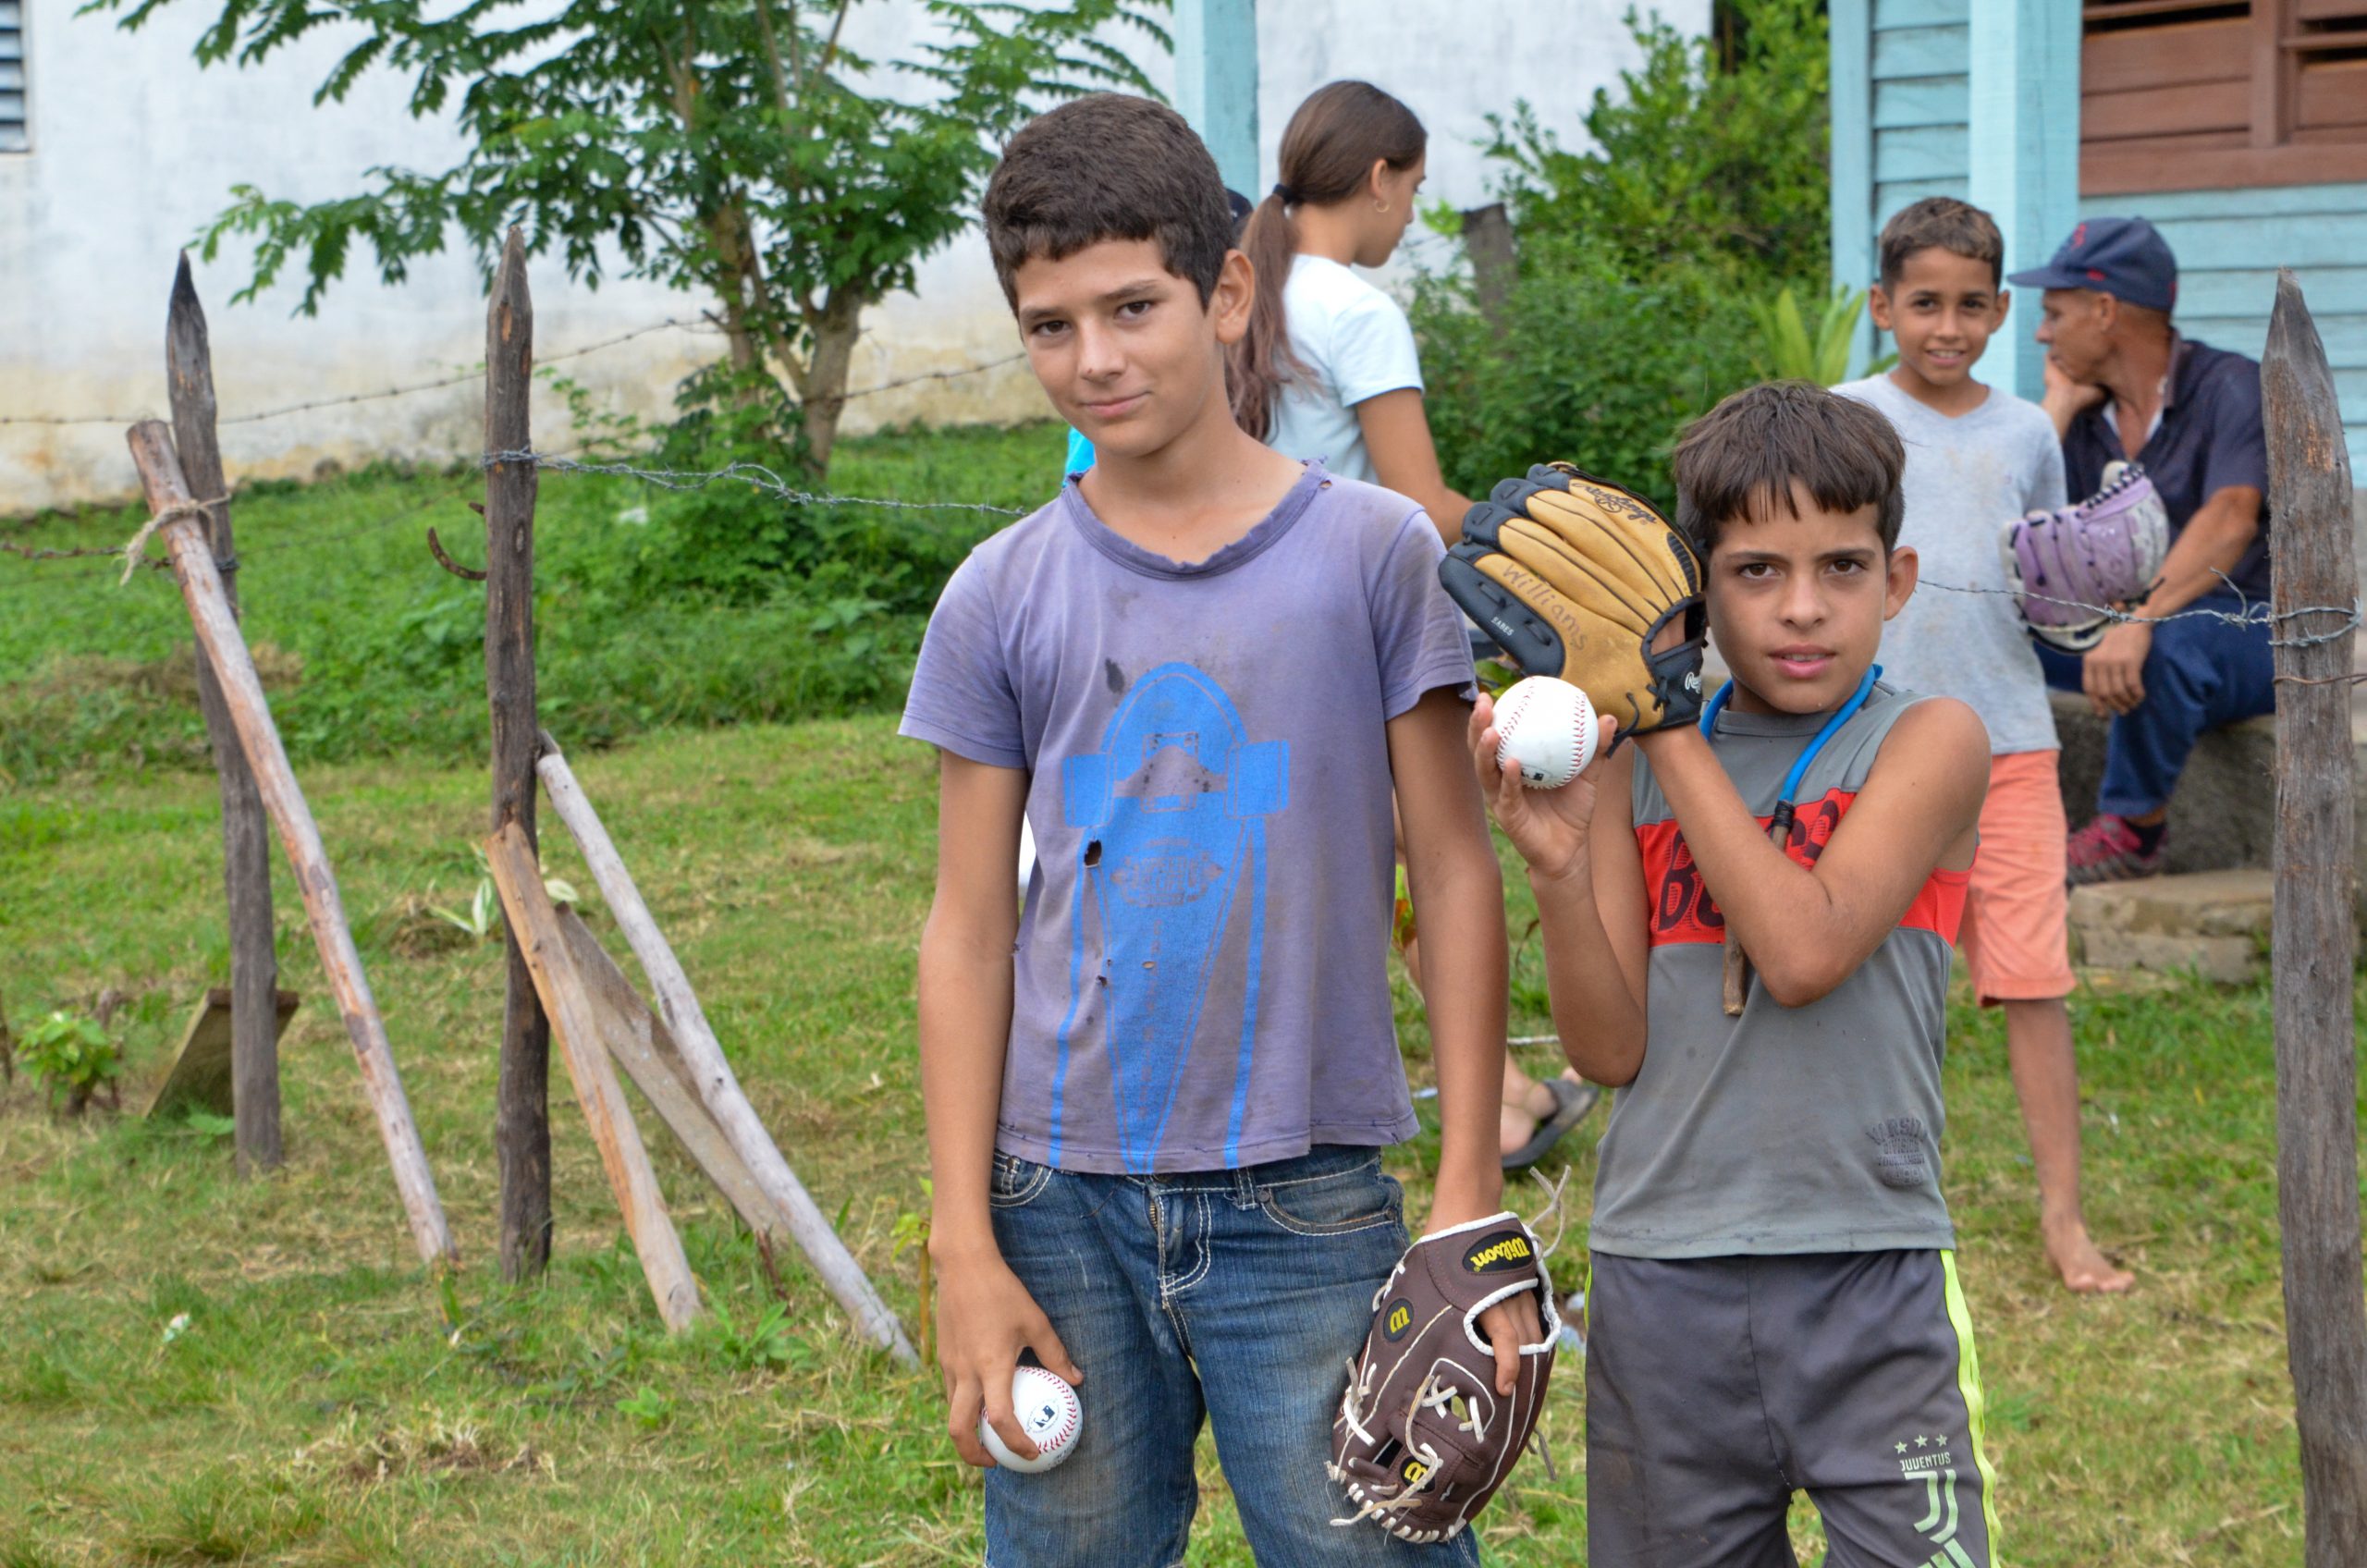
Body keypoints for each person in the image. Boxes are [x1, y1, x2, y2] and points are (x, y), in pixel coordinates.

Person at [904, 92, 1534, 1567]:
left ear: (1228, 291)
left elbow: (1450, 872)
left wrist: (1465, 1198)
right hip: (1054, 1198)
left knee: (1371, 1549)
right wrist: (963, 1243)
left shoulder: (1375, 557)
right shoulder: (1000, 595)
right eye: (1051, 325)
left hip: (1305, 1209)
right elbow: (968, 926)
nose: (1096, 358)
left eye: (1134, 307)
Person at [1472, 382, 2000, 1563]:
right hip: (1662, 1276)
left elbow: (1804, 949)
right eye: (1755, 571)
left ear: (1897, 579)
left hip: (1868, 1268)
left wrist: (1657, 716)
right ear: (1696, 589)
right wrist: (1560, 872)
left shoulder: (1928, 741)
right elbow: (1607, 1053)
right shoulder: (1631, 769)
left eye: (1842, 568)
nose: (1801, 610)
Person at [1233, 79, 1589, 1163]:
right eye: (1415, 190)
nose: (1411, 215)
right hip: (1353, 634)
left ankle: (1507, 1091)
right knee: (1437, 865)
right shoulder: (1353, 308)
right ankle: (1495, 1101)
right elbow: (1414, 501)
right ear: (1378, 179)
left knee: (1322, 865)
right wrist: (1546, 535)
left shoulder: (1238, 287)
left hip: (1236, 629)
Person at [1837, 197, 2131, 1294]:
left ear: (2003, 311)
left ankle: (2063, 1217)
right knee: (1865, 972)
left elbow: (2046, 581)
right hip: (1876, 742)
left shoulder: (2025, 433)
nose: (1946, 327)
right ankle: (1866, 1206)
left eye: (1970, 305)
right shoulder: (1847, 419)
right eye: (1923, 304)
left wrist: (2098, 591)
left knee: (2031, 978)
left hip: (2009, 742)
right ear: (1882, 306)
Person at [2014, 216, 2275, 884]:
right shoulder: (2085, 415)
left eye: (2054, 313)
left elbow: (2231, 516)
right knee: (1988, 626)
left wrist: (2138, 619)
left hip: (2251, 634)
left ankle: (2134, 831)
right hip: (2122, 629)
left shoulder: (2230, 387)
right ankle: (1982, 812)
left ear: (2105, 312)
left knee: (2166, 647)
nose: (2043, 333)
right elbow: (2015, 523)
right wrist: (2058, 407)